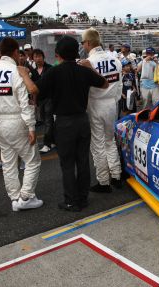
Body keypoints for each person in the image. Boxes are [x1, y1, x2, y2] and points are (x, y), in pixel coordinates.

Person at [36, 36, 109, 211]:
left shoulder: (53, 72)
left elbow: (36, 91)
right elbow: (105, 84)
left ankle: (71, 200)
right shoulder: (84, 70)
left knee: (67, 164)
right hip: (82, 119)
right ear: (76, 53)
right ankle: (83, 198)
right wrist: (91, 69)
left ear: (57, 54)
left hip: (63, 122)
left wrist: (23, 75)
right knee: (83, 161)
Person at [0, 37, 43, 211]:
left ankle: (14, 198)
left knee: (8, 163)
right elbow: (25, 102)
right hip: (17, 120)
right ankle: (26, 196)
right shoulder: (17, 71)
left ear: (0, 52)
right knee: (32, 159)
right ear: (15, 52)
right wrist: (31, 127)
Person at [82, 28, 123, 193]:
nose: (83, 46)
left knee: (98, 144)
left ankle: (103, 181)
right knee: (110, 140)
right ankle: (117, 174)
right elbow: (119, 86)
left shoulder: (87, 63)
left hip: (95, 104)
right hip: (112, 103)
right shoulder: (116, 60)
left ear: (89, 43)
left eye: (83, 42)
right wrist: (113, 100)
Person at [32, 49, 54, 154]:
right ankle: (53, 141)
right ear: (33, 59)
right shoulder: (33, 71)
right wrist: (35, 101)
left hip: (49, 98)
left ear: (43, 57)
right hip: (40, 99)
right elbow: (33, 88)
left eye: (39, 56)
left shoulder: (50, 68)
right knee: (45, 120)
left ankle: (47, 144)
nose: (38, 58)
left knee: (48, 121)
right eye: (35, 56)